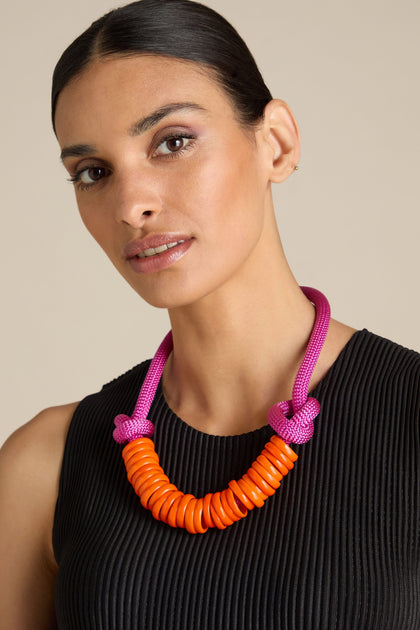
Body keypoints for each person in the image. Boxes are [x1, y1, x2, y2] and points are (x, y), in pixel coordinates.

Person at [0, 0, 418, 627]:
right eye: (93, 172)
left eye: (172, 142)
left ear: (275, 144)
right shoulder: (45, 467)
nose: (130, 204)